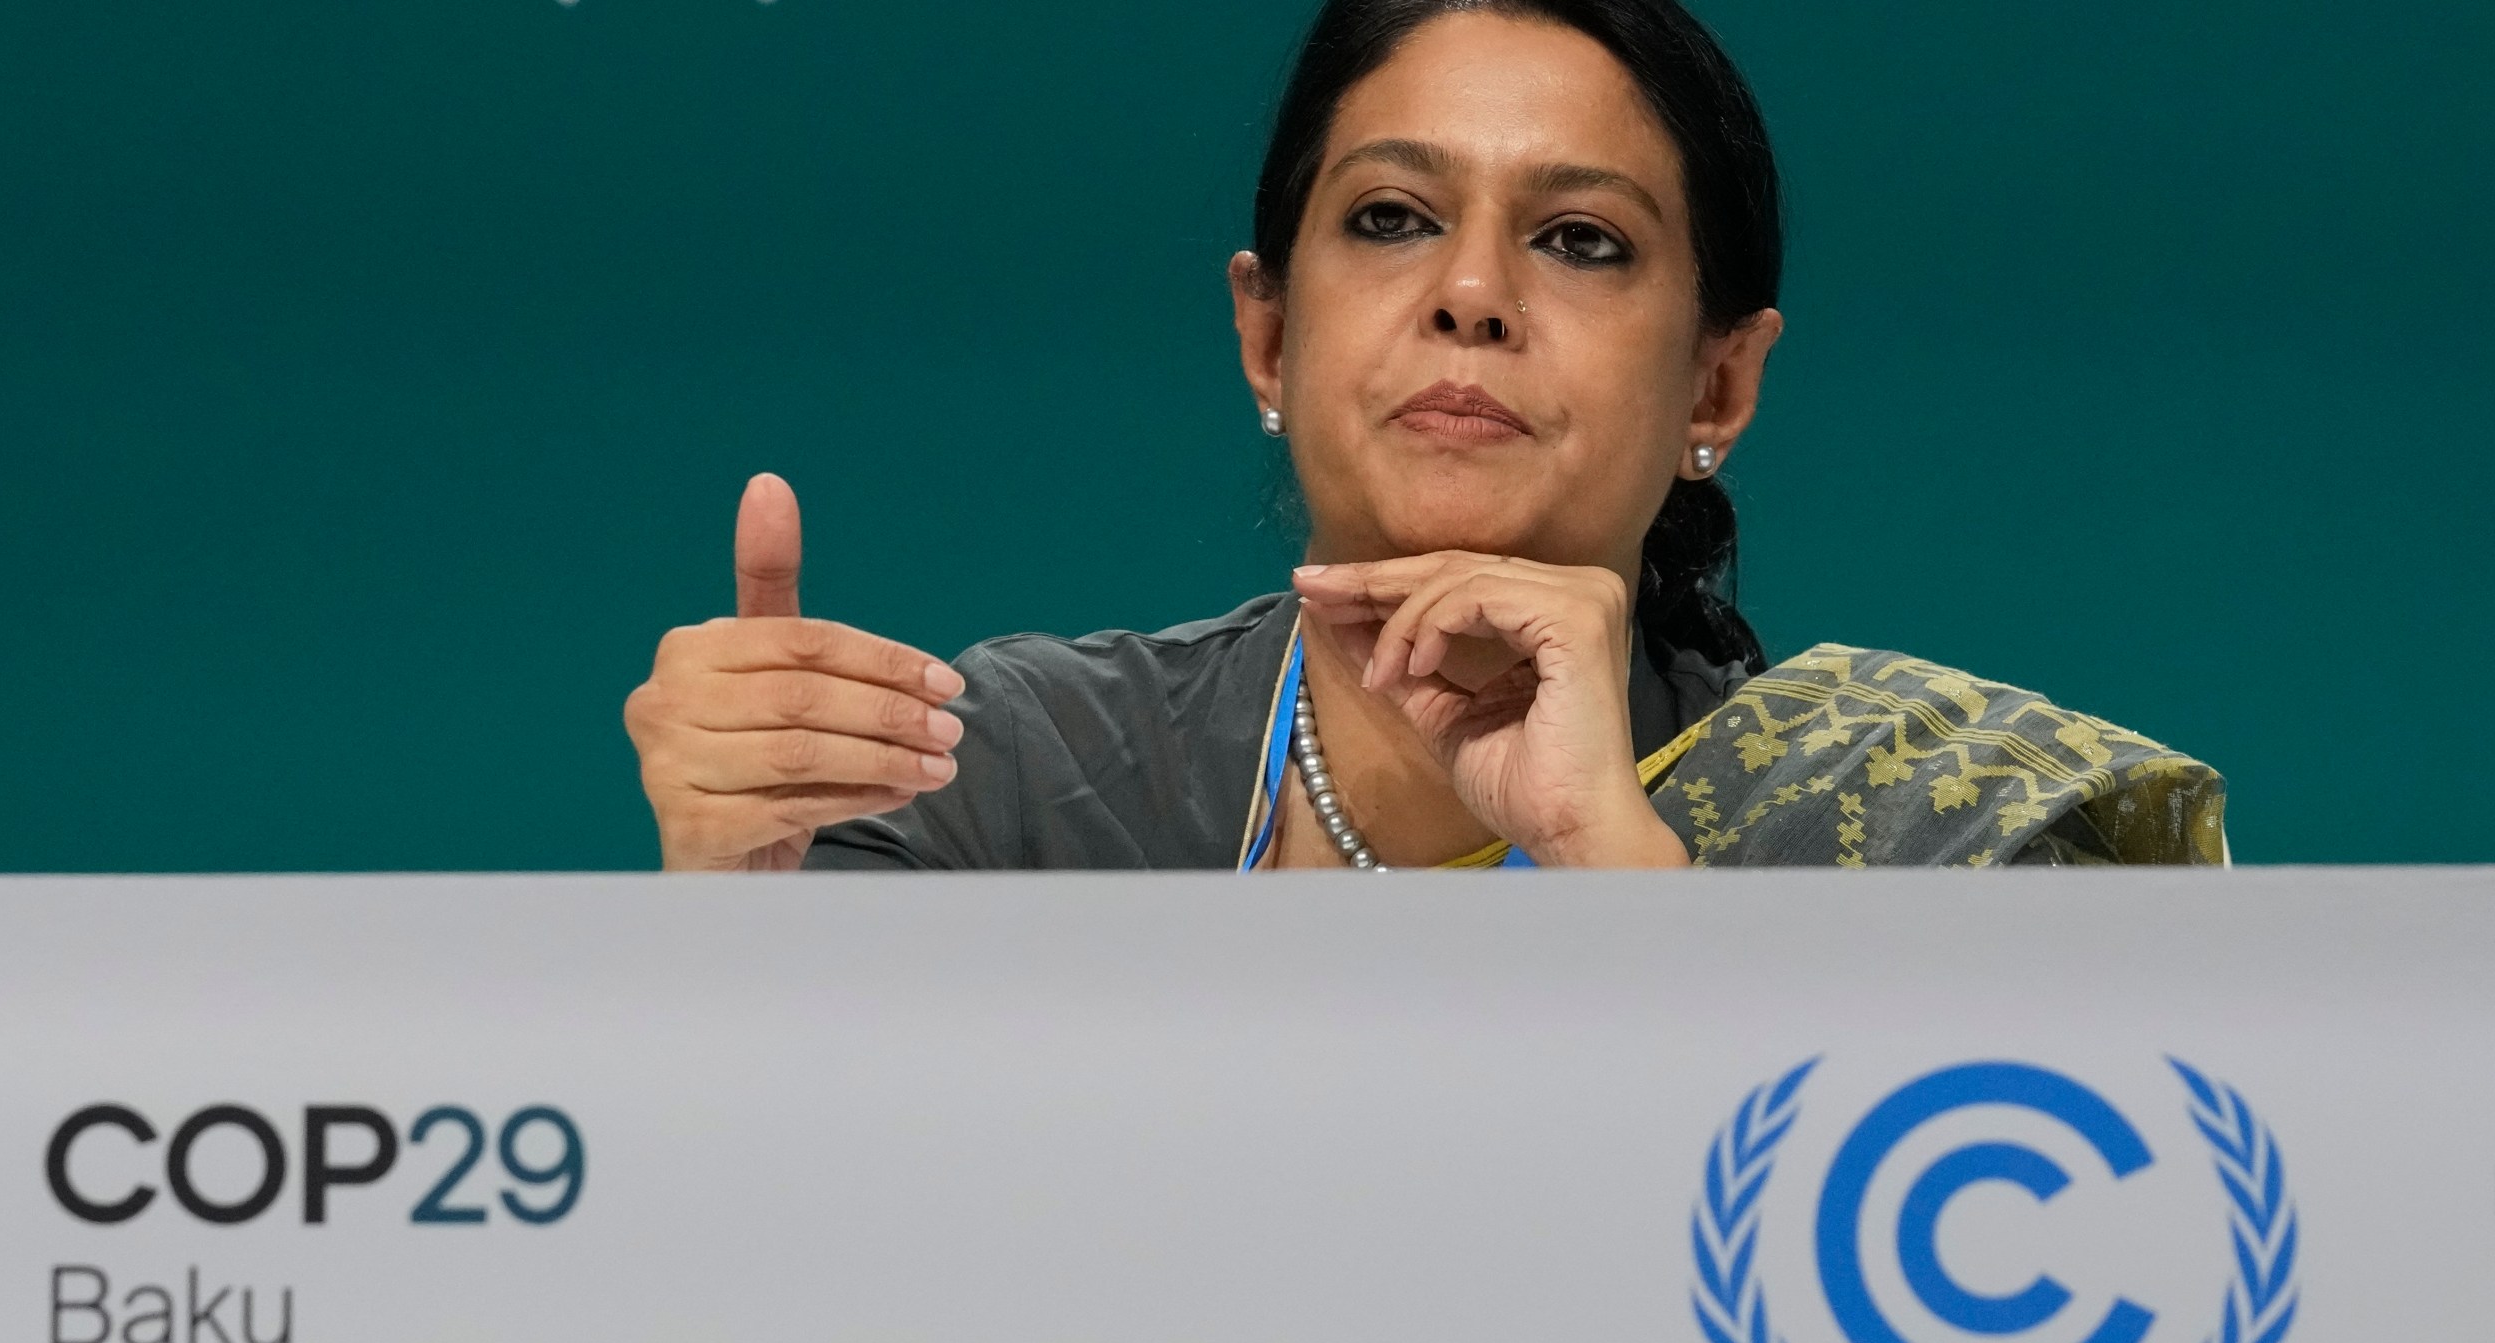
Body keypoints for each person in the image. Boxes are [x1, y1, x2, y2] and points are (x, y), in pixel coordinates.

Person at [624, 0, 2225, 872]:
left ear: (1716, 391)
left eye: (1582, 239)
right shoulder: (1016, 784)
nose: (1470, 292)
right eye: (1391, 218)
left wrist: (1608, 862)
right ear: (1267, 330)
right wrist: (751, 926)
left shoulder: (1920, 833)